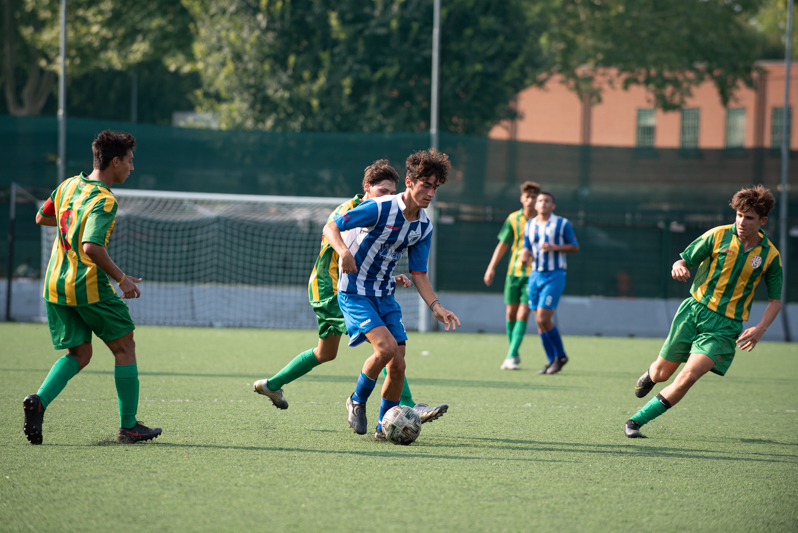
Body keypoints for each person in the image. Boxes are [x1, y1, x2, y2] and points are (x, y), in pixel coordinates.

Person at [253, 160, 448, 423]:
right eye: (383, 191)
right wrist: (349, 260)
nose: (387, 196)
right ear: (367, 187)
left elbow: (375, 256)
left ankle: (271, 385)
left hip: (365, 287)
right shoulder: (355, 211)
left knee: (327, 353)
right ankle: (405, 404)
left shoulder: (413, 221)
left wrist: (387, 276)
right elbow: (339, 248)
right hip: (333, 289)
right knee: (386, 346)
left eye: (391, 192)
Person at [24, 130, 161, 445]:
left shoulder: (68, 185)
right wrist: (122, 278)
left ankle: (39, 401)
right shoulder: (104, 199)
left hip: (55, 285)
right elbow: (91, 247)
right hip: (86, 285)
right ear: (115, 162)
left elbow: (42, 217)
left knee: (81, 353)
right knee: (124, 347)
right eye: (129, 161)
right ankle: (129, 426)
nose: (132, 167)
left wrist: (71, 224)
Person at [323, 149, 461, 439]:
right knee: (385, 349)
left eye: (435, 187)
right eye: (425, 185)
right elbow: (332, 226)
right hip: (355, 292)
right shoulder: (380, 207)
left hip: (385, 295)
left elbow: (419, 273)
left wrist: (436, 306)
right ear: (409, 182)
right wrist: (344, 252)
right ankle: (356, 400)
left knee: (398, 365)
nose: (430, 193)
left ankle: (383, 427)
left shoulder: (424, 226)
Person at [625, 185, 783, 438]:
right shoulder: (717, 235)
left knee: (688, 376)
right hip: (693, 312)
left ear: (762, 221)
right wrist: (679, 267)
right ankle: (651, 375)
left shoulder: (770, 256)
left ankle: (635, 422)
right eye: (739, 215)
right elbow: (683, 260)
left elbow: (775, 301)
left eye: (749, 218)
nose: (742, 222)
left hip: (725, 327)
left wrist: (760, 328)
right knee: (661, 373)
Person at [519, 191, 579, 375]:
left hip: (555, 275)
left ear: (553, 205)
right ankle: (551, 360)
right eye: (540, 201)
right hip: (535, 275)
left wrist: (555, 247)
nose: (543, 203)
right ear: (535, 205)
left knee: (543, 318)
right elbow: (527, 246)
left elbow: (574, 246)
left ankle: (561, 356)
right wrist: (524, 253)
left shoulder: (561, 223)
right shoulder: (529, 225)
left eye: (547, 201)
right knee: (539, 322)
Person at [484, 181, 540, 370]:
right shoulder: (513, 218)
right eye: (528, 197)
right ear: (522, 198)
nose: (531, 200)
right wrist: (491, 267)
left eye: (534, 197)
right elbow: (503, 244)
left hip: (534, 274)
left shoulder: (543, 221)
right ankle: (513, 352)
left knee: (524, 313)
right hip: (513, 273)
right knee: (511, 313)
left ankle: (510, 356)